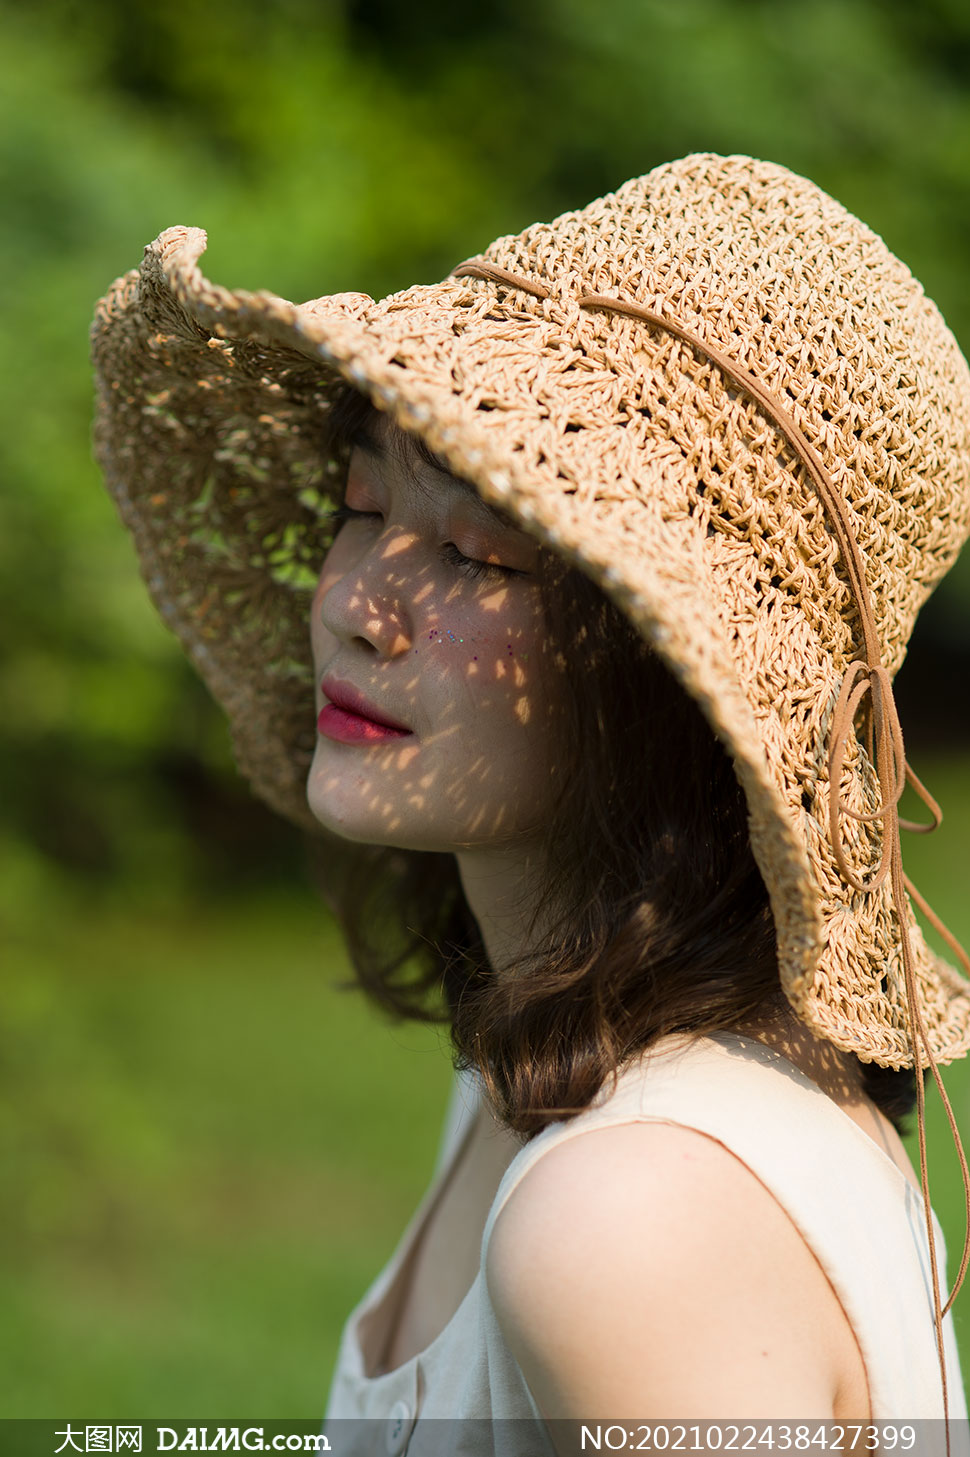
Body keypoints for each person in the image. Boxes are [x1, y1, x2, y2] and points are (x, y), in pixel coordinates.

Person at [92, 152, 970, 1452]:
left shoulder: (633, 1214)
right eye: (362, 501)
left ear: (675, 671)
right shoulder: (545, 1070)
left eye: (475, 550)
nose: (351, 599)